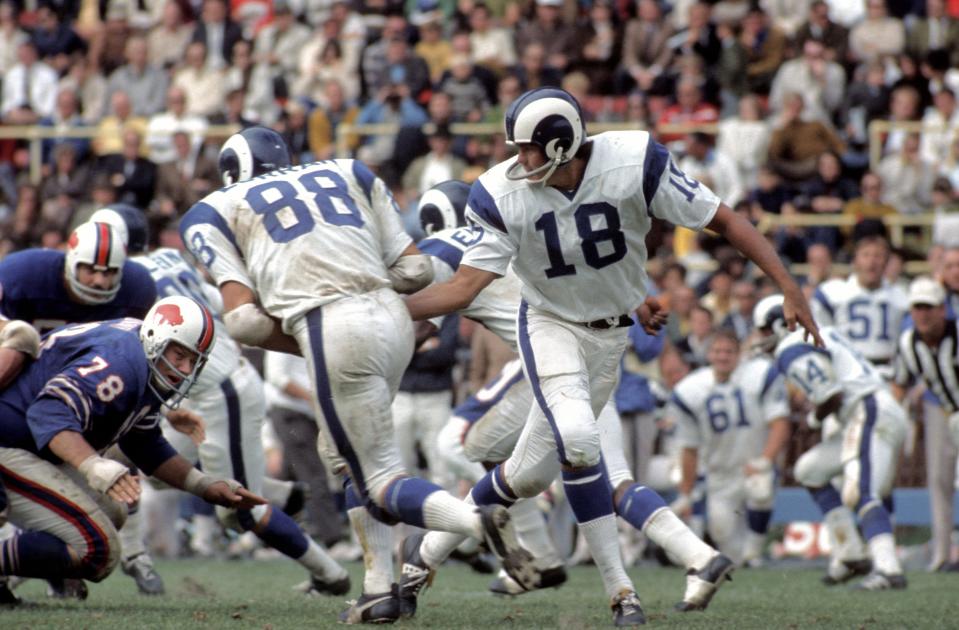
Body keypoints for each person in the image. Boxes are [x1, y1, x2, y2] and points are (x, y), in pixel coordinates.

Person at [403, 87, 822, 624]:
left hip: (609, 337)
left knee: (527, 477)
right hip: (550, 325)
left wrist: (789, 286)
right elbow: (462, 290)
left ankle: (422, 557)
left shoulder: (633, 163)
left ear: (560, 147)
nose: (518, 160)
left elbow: (727, 221)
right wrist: (391, 308)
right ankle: (623, 593)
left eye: (528, 148)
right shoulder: (500, 193)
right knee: (580, 440)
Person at [178, 127, 537, 624]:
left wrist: (304, 333)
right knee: (346, 457)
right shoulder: (349, 169)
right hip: (394, 320)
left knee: (378, 473)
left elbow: (241, 320)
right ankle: (377, 588)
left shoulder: (214, 208)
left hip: (331, 326)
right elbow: (413, 273)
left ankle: (472, 521)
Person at [410, 180, 732, 604]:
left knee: (466, 444)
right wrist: (638, 299)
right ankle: (699, 556)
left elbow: (418, 325)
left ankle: (439, 556)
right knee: (609, 480)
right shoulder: (520, 226)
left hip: (550, 370)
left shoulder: (448, 250)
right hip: (595, 363)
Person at [90, 205, 351, 596]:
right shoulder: (168, 258)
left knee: (236, 510)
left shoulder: (131, 284)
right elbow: (213, 300)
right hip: (213, 387)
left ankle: (330, 574)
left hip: (218, 392)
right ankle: (279, 494)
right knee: (157, 471)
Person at [0, 298, 264, 604]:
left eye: (194, 360)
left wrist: (204, 486)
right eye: (180, 356)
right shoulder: (122, 363)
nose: (185, 369)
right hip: (10, 440)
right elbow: (48, 413)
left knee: (113, 512)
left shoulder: (147, 359)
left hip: (33, 442)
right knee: (98, 551)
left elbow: (143, 441)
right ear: (156, 339)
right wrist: (93, 465)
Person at [0, 220, 163, 595]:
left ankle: (37, 567)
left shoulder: (138, 289)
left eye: (109, 273)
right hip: (22, 407)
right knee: (22, 335)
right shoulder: (24, 274)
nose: (99, 281)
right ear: (69, 261)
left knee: (113, 510)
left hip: (63, 415)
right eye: (90, 268)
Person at [754, 295, 908, 590]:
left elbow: (829, 395)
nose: (760, 337)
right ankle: (850, 553)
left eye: (762, 329)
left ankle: (888, 568)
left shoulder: (790, 346)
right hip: (870, 410)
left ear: (777, 324)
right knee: (809, 470)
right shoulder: (821, 331)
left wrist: (813, 420)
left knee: (861, 491)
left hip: (868, 409)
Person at [668, 329, 791, 566]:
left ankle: (754, 556)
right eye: (717, 351)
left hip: (752, 465)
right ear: (708, 354)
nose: (723, 357)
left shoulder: (759, 375)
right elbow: (689, 448)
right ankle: (741, 566)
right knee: (722, 532)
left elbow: (780, 423)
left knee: (761, 491)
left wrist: (765, 460)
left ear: (739, 354)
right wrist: (686, 492)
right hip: (719, 473)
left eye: (728, 352)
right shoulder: (691, 390)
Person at [892, 276, 959, 572]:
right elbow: (900, 384)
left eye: (928, 307)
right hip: (941, 411)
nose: (923, 314)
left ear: (942, 309)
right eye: (917, 308)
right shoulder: (908, 343)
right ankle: (942, 555)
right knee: (939, 480)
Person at [810, 235, 909, 378]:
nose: (872, 261)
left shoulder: (900, 296)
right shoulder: (834, 293)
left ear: (887, 262)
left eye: (878, 256)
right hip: (847, 370)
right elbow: (822, 334)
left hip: (888, 371)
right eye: (866, 255)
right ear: (855, 261)